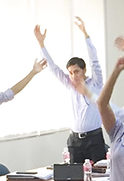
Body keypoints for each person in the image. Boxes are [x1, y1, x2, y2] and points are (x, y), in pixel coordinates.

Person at [35, 18, 107, 163]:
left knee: (98, 172)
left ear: (84, 70)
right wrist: (41, 44)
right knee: (74, 173)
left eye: (76, 71)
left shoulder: (96, 83)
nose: (74, 75)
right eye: (70, 72)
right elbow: (53, 68)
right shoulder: (70, 85)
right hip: (75, 140)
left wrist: (85, 34)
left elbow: (94, 61)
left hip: (94, 138)